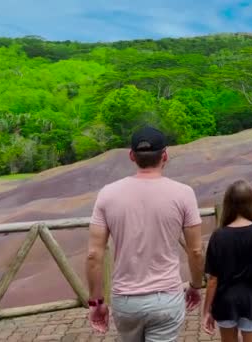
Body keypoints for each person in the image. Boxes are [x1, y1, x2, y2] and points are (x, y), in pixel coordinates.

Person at [86, 126, 204, 341]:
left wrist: (96, 302)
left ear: (132, 156)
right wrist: (196, 286)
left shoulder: (107, 194)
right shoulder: (184, 194)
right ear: (165, 155)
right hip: (166, 298)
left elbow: (94, 255)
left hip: (125, 301)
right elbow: (196, 250)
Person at [202, 180, 252, 342]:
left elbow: (213, 280)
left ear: (228, 204)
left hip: (225, 303)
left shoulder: (218, 236)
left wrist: (206, 310)